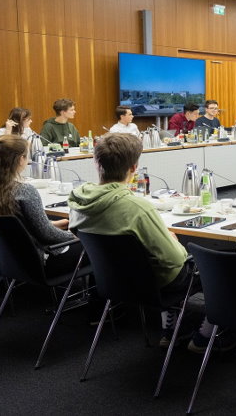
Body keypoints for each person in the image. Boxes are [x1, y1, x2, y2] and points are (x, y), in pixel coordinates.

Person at [67, 133, 200, 349]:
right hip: (153, 284)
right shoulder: (137, 208)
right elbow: (173, 260)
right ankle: (207, 333)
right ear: (134, 168)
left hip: (113, 281)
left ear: (95, 162)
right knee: (210, 267)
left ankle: (172, 325)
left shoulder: (76, 200)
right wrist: (172, 241)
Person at [0, 135, 82, 282]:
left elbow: (18, 226)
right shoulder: (24, 191)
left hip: (11, 260)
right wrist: (75, 236)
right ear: (21, 159)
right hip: (40, 262)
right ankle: (97, 300)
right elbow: (46, 235)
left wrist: (51, 225)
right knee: (94, 247)